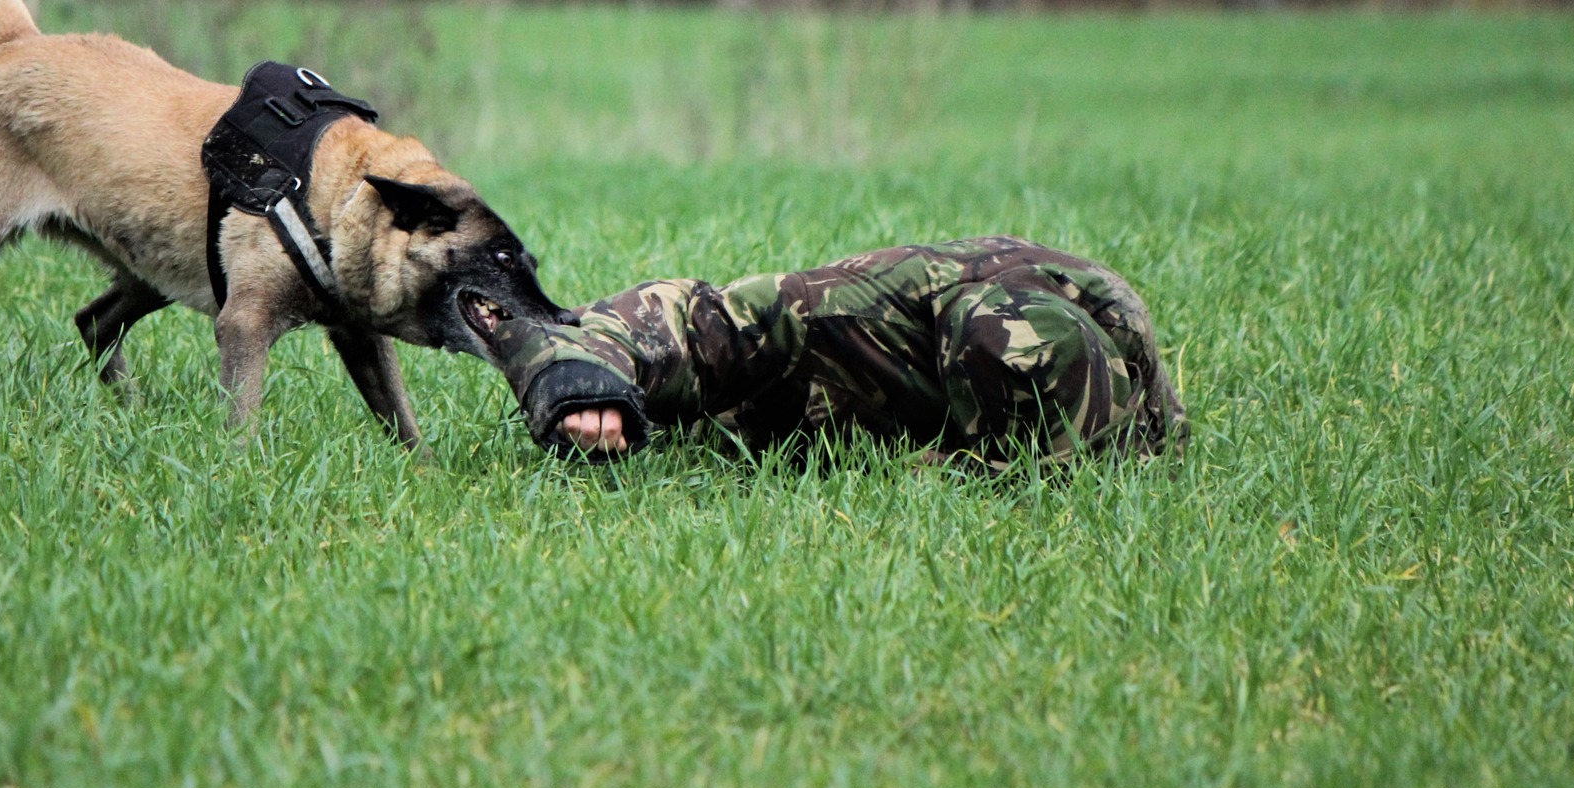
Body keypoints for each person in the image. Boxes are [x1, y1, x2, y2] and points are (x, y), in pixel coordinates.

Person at [486, 236, 1187, 465]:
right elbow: (691, 318)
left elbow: (1044, 491)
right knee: (708, 420)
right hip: (838, 376)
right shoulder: (827, 313)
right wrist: (578, 375)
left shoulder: (1075, 356)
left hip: (1080, 376)